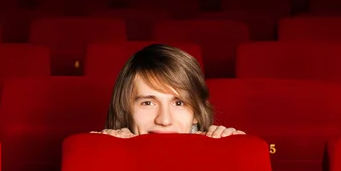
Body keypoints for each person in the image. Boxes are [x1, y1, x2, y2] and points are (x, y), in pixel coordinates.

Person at [91, 43, 245, 138]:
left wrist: (234, 150)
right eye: (148, 103)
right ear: (125, 110)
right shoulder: (99, 156)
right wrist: (105, 152)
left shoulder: (222, 153)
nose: (164, 121)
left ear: (197, 114)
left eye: (179, 103)